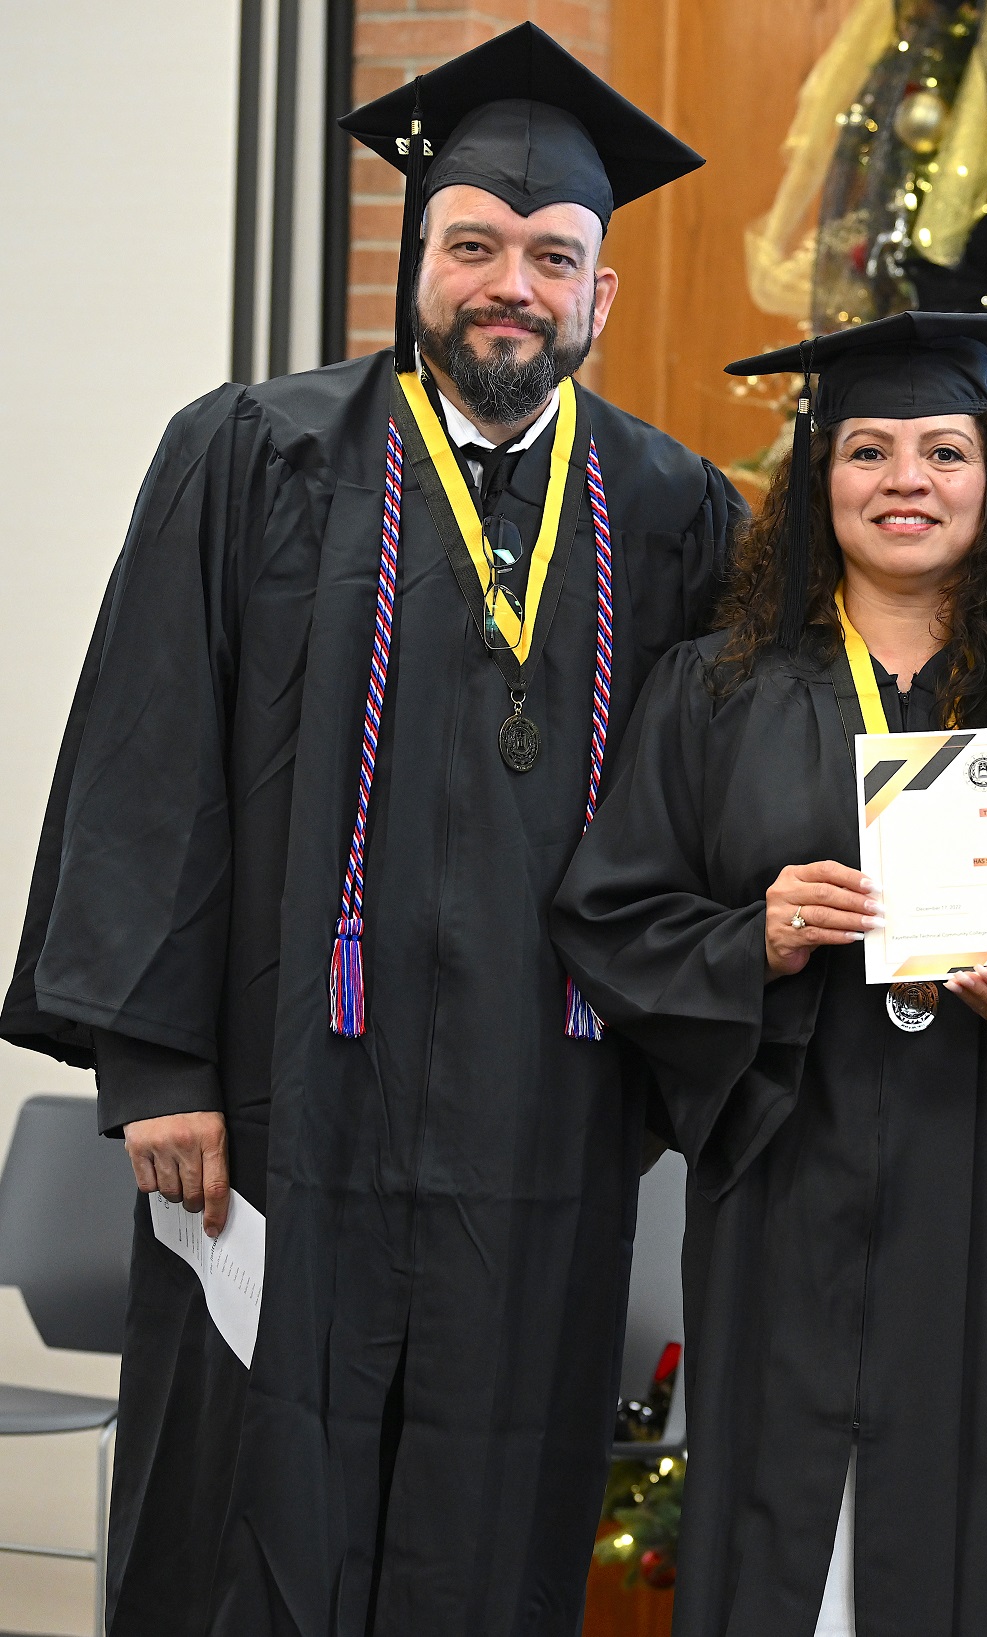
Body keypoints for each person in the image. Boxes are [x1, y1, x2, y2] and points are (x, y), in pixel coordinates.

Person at [0, 24, 741, 1637]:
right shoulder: (259, 451)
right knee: (253, 1506)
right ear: (416, 259)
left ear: (598, 294)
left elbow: (716, 806)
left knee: (492, 1509)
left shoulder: (673, 507)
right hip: (279, 1109)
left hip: (542, 1119)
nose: (511, 285)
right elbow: (151, 748)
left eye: (553, 255)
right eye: (474, 245)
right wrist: (160, 1071)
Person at [551, 311, 987, 1637]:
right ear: (817, 478)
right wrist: (746, 937)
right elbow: (606, 916)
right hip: (792, 1170)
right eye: (866, 449)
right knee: (791, 1531)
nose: (905, 480)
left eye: (943, 449)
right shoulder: (712, 691)